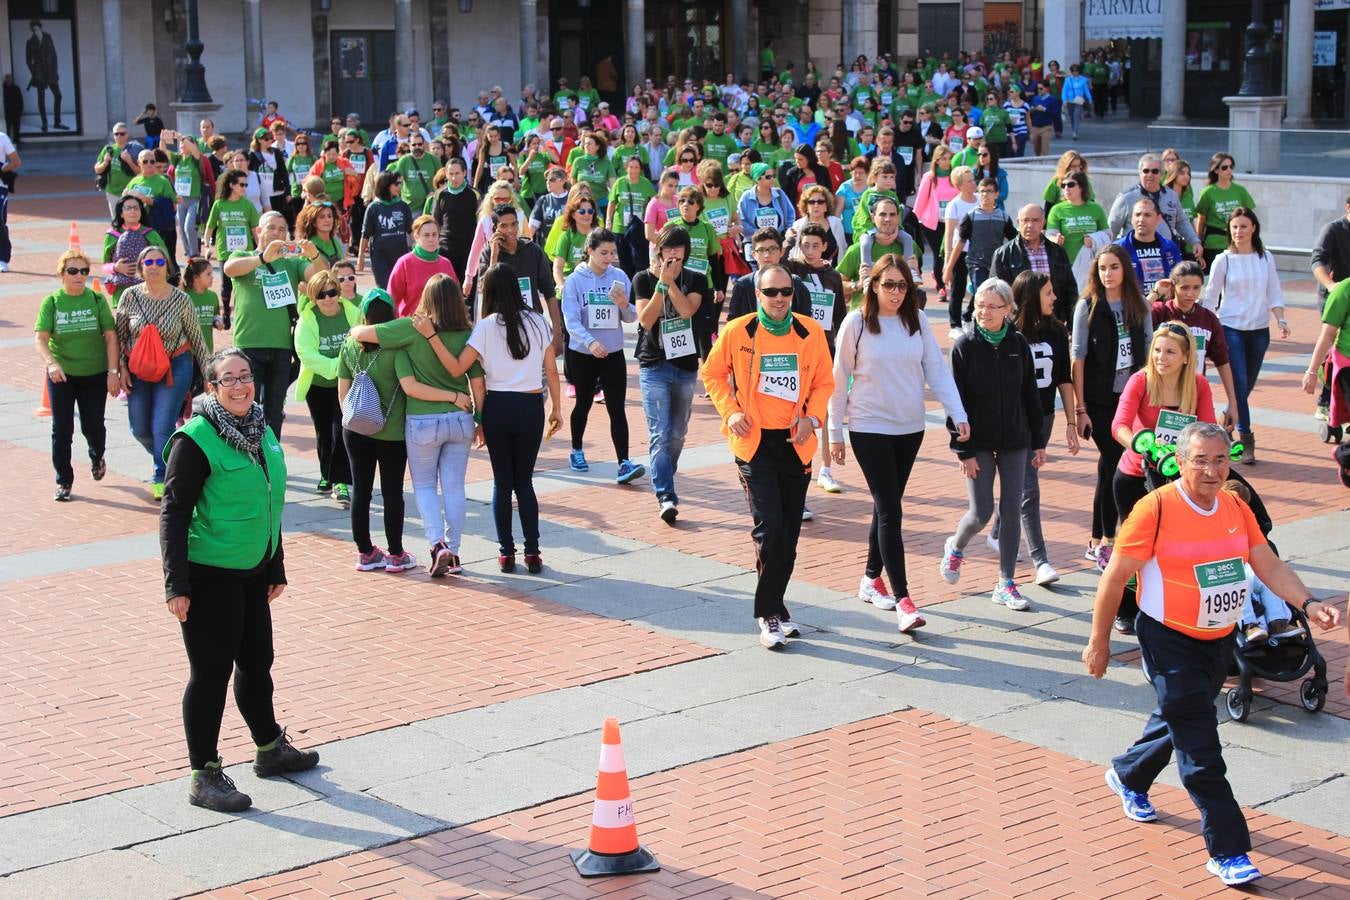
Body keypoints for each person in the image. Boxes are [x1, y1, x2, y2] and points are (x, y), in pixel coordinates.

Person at [1082, 421, 1342, 888]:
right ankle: (1229, 851)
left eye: (1220, 459)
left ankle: (1128, 774)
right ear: (1180, 463)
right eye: (1200, 460)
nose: (1211, 470)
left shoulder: (1235, 506)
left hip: (1219, 640)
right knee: (1201, 746)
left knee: (1185, 715)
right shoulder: (1154, 509)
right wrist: (1098, 642)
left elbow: (1268, 563)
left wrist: (1309, 603)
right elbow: (1115, 577)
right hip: (1167, 640)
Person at [160, 348, 320, 813]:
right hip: (209, 575)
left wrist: (275, 564)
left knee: (258, 661)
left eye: (245, 376)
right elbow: (174, 514)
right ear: (210, 387)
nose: (239, 386)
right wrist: (177, 584)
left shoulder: (261, 429)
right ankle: (203, 775)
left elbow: (271, 501)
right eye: (227, 379)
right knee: (210, 674)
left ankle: (269, 747)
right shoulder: (195, 439)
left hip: (253, 570)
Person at [829, 255, 967, 630]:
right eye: (888, 284)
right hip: (868, 426)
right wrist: (834, 432)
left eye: (902, 285)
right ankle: (904, 598)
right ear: (873, 285)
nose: (895, 292)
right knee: (891, 509)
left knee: (885, 504)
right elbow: (838, 381)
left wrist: (959, 414)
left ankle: (871, 577)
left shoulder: (917, 321)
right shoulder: (856, 323)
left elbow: (936, 372)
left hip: (910, 429)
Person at [702, 263, 835, 649]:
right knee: (770, 530)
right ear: (757, 295)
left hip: (795, 444)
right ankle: (769, 614)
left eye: (786, 292)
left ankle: (777, 603)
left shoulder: (809, 332)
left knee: (789, 536)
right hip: (754, 444)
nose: (779, 299)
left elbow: (825, 383)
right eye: (771, 292)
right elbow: (712, 375)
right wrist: (731, 412)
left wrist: (812, 418)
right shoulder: (738, 330)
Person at [359, 276, 483, 576]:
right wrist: (479, 419)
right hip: (460, 417)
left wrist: (353, 328)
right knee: (454, 486)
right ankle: (454, 550)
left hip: (422, 419)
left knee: (425, 485)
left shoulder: (411, 327)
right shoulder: (468, 333)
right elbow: (478, 382)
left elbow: (364, 333)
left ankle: (435, 544)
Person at [938, 278, 1046, 611]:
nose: (984, 311)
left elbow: (1031, 395)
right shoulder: (965, 346)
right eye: (980, 305)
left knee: (1012, 509)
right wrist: (962, 449)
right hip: (978, 441)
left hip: (1015, 439)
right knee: (982, 511)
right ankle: (956, 547)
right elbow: (954, 400)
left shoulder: (1017, 343)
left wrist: (1038, 442)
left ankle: (1006, 583)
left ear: (1008, 310)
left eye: (992, 306)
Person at [1110, 323, 1217, 634]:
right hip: (1134, 475)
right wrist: (1143, 447)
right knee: (1133, 547)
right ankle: (1125, 608)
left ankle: (1169, 603)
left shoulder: (1198, 385)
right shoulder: (1140, 381)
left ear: (1186, 357)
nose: (1161, 357)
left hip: (1178, 478)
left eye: (1170, 352)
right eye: (1157, 350)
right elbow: (1119, 424)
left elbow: (1207, 428)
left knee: (1174, 545)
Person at [460, 264, 562, 573]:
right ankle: (533, 551)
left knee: (502, 484)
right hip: (531, 404)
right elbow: (552, 371)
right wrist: (557, 408)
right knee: (525, 483)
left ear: (489, 293)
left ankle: (506, 553)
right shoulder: (538, 322)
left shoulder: (487, 326)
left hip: (497, 406)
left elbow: (461, 366)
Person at [988, 271, 1079, 586]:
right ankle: (1040, 559)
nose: (1054, 298)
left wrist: (1071, 420)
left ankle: (999, 530)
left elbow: (1064, 379)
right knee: (1029, 489)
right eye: (1048, 293)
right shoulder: (1010, 333)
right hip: (1015, 420)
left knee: (1022, 482)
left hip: (1044, 418)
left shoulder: (1056, 331)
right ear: (1030, 297)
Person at [1072, 244, 1149, 570]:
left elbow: (1147, 351)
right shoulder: (1087, 306)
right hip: (1100, 401)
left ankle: (1097, 539)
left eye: (1114, 267)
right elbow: (1077, 358)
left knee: (1108, 467)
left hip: (1129, 398)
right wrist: (1080, 408)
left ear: (1124, 270)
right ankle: (1110, 538)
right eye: (1102, 268)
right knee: (1116, 462)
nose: (1108, 274)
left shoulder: (1138, 305)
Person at [114, 244, 211, 498]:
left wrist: (212, 376)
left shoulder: (181, 299)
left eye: (159, 263)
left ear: (167, 267)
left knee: (162, 424)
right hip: (139, 369)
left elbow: (197, 340)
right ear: (141, 268)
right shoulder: (130, 296)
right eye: (149, 263)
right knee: (139, 428)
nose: (154, 267)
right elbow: (120, 337)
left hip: (174, 366)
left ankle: (161, 477)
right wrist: (120, 368)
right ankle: (172, 457)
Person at [222, 211, 329, 437]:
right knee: (245, 406)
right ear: (260, 231)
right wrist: (262, 259)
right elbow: (229, 268)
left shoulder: (291, 263)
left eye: (282, 229)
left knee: (274, 409)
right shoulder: (245, 255)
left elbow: (321, 277)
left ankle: (271, 459)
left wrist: (314, 255)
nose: (277, 233)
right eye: (271, 228)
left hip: (280, 346)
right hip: (248, 343)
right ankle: (247, 456)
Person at [633, 228, 707, 522]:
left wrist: (670, 283)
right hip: (654, 365)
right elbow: (645, 319)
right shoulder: (642, 279)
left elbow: (688, 310)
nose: (672, 255)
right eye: (667, 249)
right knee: (660, 434)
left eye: (678, 249)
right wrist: (659, 286)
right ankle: (665, 494)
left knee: (677, 435)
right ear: (659, 251)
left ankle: (665, 475)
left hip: (686, 366)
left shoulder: (697, 279)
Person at [1202, 208, 1286, 465]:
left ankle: (1227, 419)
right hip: (1231, 328)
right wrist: (1206, 332)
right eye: (1234, 227)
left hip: (1259, 330)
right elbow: (1210, 297)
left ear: (1254, 229)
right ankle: (1246, 439)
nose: (1238, 232)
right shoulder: (1223, 260)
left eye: (1243, 226)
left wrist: (1280, 318)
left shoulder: (1265, 257)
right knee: (1238, 384)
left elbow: (1274, 291)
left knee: (1245, 387)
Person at [561, 228, 645, 484]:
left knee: (617, 407)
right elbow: (570, 320)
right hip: (583, 353)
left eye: (612, 253)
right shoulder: (575, 282)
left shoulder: (619, 277)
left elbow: (631, 317)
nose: (609, 258)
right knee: (584, 402)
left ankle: (624, 462)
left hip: (613, 353)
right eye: (603, 253)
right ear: (590, 251)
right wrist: (590, 341)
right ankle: (576, 450)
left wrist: (623, 304)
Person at [35, 250, 119, 501]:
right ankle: (64, 481)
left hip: (94, 373)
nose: (79, 276)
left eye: (83, 271)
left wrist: (113, 371)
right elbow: (40, 338)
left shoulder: (96, 299)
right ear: (62, 274)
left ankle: (97, 455)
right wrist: (51, 364)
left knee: (92, 426)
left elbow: (111, 336)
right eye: (73, 271)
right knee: (62, 429)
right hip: (63, 375)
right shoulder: (52, 302)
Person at [337, 290, 410, 572]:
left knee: (361, 490)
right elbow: (408, 386)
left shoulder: (349, 345)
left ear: (364, 317)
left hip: (355, 430)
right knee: (393, 492)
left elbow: (342, 392)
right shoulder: (396, 349)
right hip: (391, 434)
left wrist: (353, 418)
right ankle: (396, 553)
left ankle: (365, 552)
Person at [786, 223, 848, 493]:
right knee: (798, 409)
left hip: (826, 347)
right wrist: (790, 242)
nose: (810, 250)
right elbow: (779, 259)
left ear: (824, 246)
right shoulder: (793, 270)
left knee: (822, 410)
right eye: (805, 245)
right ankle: (800, 467)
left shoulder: (832, 275)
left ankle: (826, 469)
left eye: (815, 245)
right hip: (798, 349)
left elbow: (840, 316)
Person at [294, 270, 359, 506]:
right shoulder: (306, 321)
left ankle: (340, 482)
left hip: (346, 384)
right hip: (318, 385)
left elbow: (361, 344)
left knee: (339, 429)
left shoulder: (353, 314)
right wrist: (336, 366)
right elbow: (307, 355)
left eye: (332, 292)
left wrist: (343, 371)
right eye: (322, 295)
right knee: (323, 433)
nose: (328, 298)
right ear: (313, 297)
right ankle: (326, 474)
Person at [1150, 260, 1237, 428]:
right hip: (1160, 394)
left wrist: (1232, 402)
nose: (1190, 294)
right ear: (1173, 286)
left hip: (1193, 395)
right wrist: (1155, 293)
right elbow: (1134, 318)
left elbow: (1222, 360)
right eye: (1184, 288)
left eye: (1196, 288)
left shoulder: (1208, 318)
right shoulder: (1160, 311)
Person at [944, 176, 1016, 334]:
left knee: (994, 294)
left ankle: (969, 316)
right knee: (982, 292)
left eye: (989, 191)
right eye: (982, 191)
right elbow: (961, 242)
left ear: (996, 194)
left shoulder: (1003, 216)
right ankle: (978, 327)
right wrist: (949, 267)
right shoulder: (971, 216)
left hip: (996, 264)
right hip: (976, 263)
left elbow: (1015, 240)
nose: (985, 195)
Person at [992, 204, 1079, 324]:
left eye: (1035, 220)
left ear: (1043, 222)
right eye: (1025, 220)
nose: (1030, 225)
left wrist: (1071, 323)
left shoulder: (1057, 251)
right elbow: (996, 293)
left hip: (1053, 321)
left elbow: (1070, 289)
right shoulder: (1003, 254)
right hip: (1020, 323)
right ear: (1018, 222)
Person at [1108, 153, 1202, 259]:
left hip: (1165, 255)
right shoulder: (1126, 198)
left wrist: (1195, 241)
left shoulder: (1171, 195)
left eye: (1155, 171)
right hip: (1135, 256)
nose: (1150, 175)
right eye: (1146, 171)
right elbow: (1111, 230)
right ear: (1140, 173)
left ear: (1162, 174)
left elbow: (1182, 222)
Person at [1310, 195, 1350, 419]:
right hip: (1336, 296)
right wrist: (1330, 285)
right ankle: (1325, 401)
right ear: (1347, 207)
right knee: (1334, 344)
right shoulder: (1333, 230)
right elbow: (1317, 260)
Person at [387, 215, 459, 318]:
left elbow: (456, 298)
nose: (431, 239)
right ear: (416, 237)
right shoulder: (404, 263)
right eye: (426, 235)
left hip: (442, 325)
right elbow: (391, 300)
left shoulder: (446, 263)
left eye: (434, 234)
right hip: (411, 325)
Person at [1194, 153, 1255, 270]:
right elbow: (1201, 220)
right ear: (1216, 170)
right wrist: (1198, 243)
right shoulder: (1208, 192)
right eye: (1224, 167)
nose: (1229, 170)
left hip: (1236, 242)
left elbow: (1250, 217)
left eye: (1231, 167)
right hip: (1214, 242)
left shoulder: (1240, 190)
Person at [1116, 197, 1183, 297]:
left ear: (1158, 219)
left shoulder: (1170, 247)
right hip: (1132, 308)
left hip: (1164, 308)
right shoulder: (1119, 249)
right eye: (1137, 215)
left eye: (1147, 215)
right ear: (1131, 218)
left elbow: (1180, 280)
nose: (1141, 219)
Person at [358, 171, 414, 290]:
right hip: (380, 256)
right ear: (386, 185)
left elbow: (411, 230)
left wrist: (417, 248)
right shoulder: (373, 208)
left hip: (400, 255)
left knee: (401, 288)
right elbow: (365, 233)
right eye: (396, 184)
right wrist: (361, 256)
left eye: (400, 183)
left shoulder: (403, 206)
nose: (399, 186)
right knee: (384, 288)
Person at [1047, 171, 1108, 270]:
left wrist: (1094, 239)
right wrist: (1055, 239)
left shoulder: (1096, 208)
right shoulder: (1056, 209)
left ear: (1081, 187)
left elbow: (1108, 235)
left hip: (1091, 265)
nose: (1066, 188)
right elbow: (1049, 235)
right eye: (1063, 185)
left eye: (1071, 185)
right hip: (1066, 265)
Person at [24, 20, 65, 132]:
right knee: (41, 99)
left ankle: (57, 122)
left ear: (40, 28)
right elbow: (28, 60)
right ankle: (45, 123)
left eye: (37, 29)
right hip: (40, 75)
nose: (36, 31)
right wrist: (35, 72)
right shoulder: (30, 42)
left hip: (51, 73)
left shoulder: (48, 37)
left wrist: (55, 70)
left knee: (58, 95)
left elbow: (54, 54)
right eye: (34, 30)